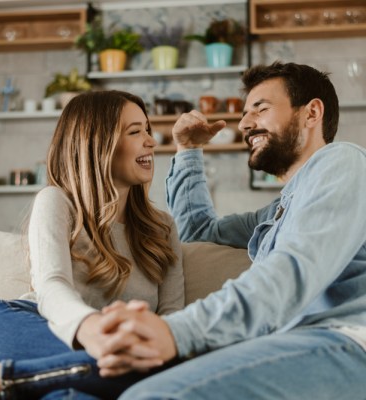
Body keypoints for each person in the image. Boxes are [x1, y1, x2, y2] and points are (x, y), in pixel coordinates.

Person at [90, 61, 366, 400]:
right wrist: (189, 150)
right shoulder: (281, 209)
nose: (245, 123)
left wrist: (177, 331)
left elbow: (291, 272)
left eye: (260, 109)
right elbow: (197, 232)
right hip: (293, 345)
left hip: (347, 343)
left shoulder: (343, 162)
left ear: (312, 113)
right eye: (246, 112)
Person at [0, 90, 184, 399]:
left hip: (100, 356)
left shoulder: (162, 227)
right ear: (98, 144)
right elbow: (51, 286)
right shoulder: (58, 201)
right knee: (138, 367)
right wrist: (91, 329)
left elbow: (174, 315)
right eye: (135, 131)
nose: (150, 141)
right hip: (23, 325)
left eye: (147, 130)